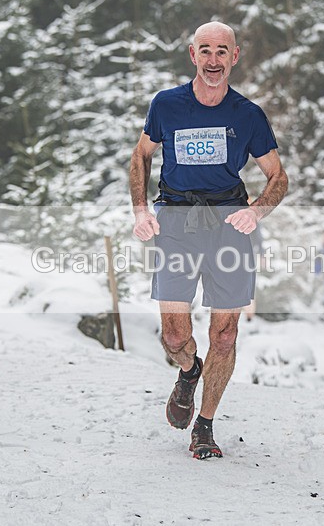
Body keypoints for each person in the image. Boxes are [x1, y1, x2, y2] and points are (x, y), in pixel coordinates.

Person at [130, 22, 288, 459]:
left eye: (222, 51)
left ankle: (205, 425)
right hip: (177, 222)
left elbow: (278, 176)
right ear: (192, 54)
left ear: (234, 56)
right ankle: (188, 370)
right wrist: (141, 209)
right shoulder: (166, 105)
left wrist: (255, 211)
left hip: (227, 224)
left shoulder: (248, 115)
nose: (214, 60)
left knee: (224, 335)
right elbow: (141, 155)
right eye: (205, 51)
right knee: (175, 334)